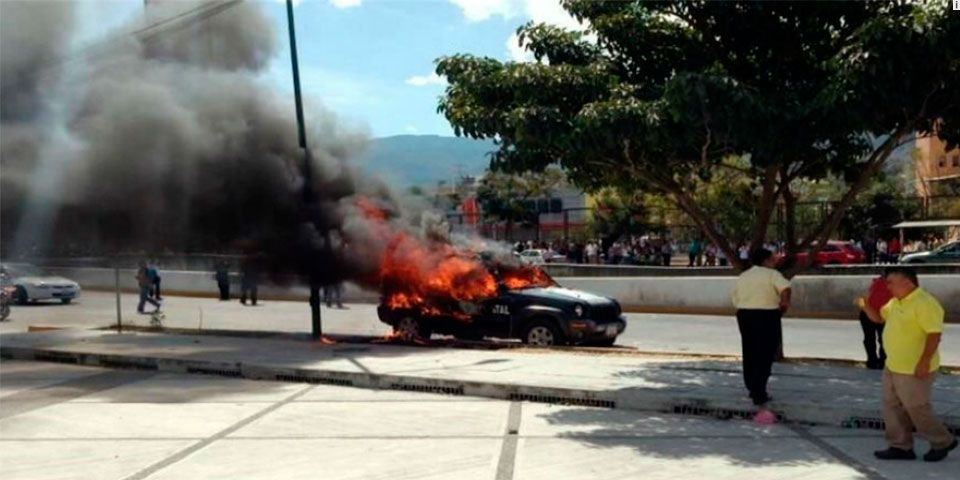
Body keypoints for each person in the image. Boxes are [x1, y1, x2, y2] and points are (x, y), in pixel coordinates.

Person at [858, 267, 957, 462]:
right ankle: (900, 446)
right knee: (892, 406)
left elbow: (934, 335)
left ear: (908, 282)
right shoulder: (896, 301)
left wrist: (924, 362)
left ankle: (942, 441)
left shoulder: (925, 303)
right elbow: (879, 318)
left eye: (891, 282)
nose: (887, 286)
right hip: (893, 365)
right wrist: (865, 306)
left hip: (914, 368)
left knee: (917, 407)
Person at [731, 248, 791, 406]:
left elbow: (735, 298)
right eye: (772, 259)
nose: (774, 261)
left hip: (744, 315)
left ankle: (752, 386)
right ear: (765, 261)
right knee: (765, 352)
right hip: (767, 315)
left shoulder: (744, 276)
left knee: (750, 350)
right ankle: (759, 390)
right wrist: (784, 303)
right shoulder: (772, 274)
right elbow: (785, 288)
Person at [858, 275, 892, 369]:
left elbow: (861, 298)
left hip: (868, 313)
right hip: (878, 314)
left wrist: (862, 307)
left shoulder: (875, 283)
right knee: (883, 339)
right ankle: (882, 362)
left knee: (870, 338)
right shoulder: (893, 286)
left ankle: (872, 361)